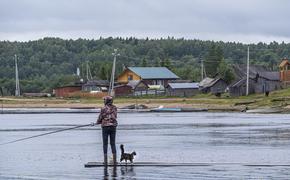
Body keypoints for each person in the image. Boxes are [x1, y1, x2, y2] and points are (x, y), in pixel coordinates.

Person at [96, 96, 118, 165]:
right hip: (113, 127)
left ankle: (105, 161)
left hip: (105, 127)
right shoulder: (115, 108)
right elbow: (115, 116)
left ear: (106, 101)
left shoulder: (103, 108)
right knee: (113, 143)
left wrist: (97, 122)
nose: (104, 101)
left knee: (105, 144)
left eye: (104, 100)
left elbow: (100, 118)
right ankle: (114, 161)